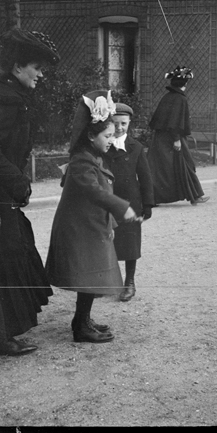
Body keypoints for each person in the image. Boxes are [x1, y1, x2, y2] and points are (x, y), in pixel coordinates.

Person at [0, 28, 59, 356]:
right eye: (36, 67)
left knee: (7, 251)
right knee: (0, 256)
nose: (40, 74)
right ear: (18, 67)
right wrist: (17, 183)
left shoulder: (10, 95)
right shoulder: (2, 99)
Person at [45, 90, 139, 343]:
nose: (111, 139)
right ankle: (80, 326)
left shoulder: (92, 157)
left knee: (91, 276)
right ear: (90, 135)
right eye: (107, 136)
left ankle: (82, 319)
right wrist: (121, 207)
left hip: (90, 225)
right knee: (89, 276)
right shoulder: (81, 162)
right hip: (80, 228)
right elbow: (94, 191)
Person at [105, 102, 155, 302]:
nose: (119, 128)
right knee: (108, 241)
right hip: (109, 201)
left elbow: (145, 178)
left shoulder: (136, 147)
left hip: (130, 203)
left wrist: (147, 205)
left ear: (129, 123)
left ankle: (130, 282)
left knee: (131, 243)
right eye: (115, 124)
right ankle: (109, 281)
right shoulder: (104, 145)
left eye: (123, 124)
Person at [148, 66, 210, 205]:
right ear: (185, 84)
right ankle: (194, 196)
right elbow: (174, 121)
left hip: (162, 138)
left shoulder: (168, 97)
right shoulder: (179, 99)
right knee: (183, 164)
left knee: (162, 168)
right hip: (172, 138)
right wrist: (176, 140)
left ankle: (194, 196)